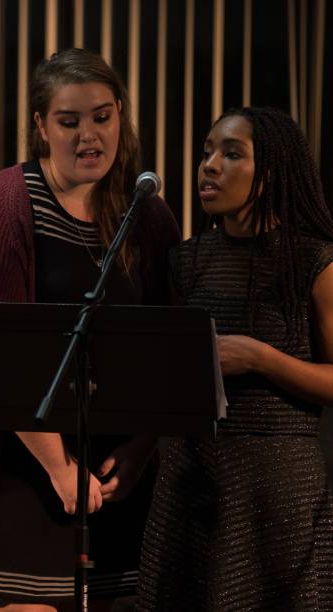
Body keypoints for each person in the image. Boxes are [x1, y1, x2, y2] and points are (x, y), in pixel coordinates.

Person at [0, 48, 180, 611]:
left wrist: (142, 449)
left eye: (102, 116)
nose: (89, 135)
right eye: (69, 122)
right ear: (41, 127)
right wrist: (60, 467)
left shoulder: (150, 214)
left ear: (121, 115)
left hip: (118, 470)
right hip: (26, 461)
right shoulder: (5, 204)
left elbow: (170, 354)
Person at [136, 107, 333, 610]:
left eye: (231, 153)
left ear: (269, 173)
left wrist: (262, 358)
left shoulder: (314, 262)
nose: (209, 166)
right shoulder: (186, 259)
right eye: (206, 153)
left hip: (278, 485)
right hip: (191, 475)